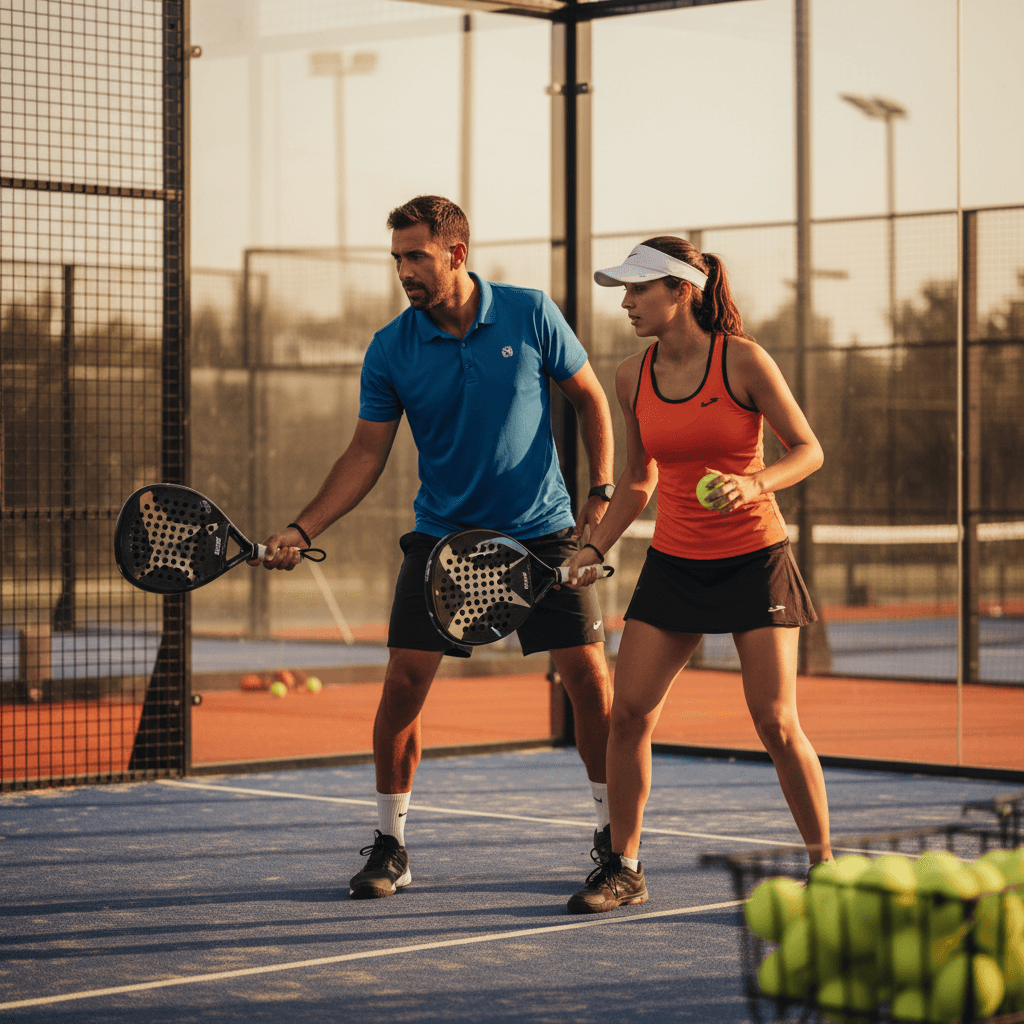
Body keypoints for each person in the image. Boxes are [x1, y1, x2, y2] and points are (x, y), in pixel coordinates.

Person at [255, 196, 617, 900]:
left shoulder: (530, 312)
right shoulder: (391, 347)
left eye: (416, 255)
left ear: (457, 253)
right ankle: (391, 842)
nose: (404, 271)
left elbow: (591, 400)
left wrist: (598, 498)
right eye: (397, 258)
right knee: (401, 687)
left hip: (544, 533)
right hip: (441, 538)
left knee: (591, 687)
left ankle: (612, 842)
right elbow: (365, 454)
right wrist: (303, 529)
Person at [561, 238, 833, 915]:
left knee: (774, 721)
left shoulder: (742, 359)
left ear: (681, 291)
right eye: (623, 291)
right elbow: (637, 479)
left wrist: (755, 484)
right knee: (628, 715)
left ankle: (825, 866)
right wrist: (593, 545)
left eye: (637, 290)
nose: (624, 303)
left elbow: (809, 449)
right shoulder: (631, 375)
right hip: (676, 565)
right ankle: (623, 866)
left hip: (754, 559)